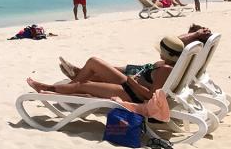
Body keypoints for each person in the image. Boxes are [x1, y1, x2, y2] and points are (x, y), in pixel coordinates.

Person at [27, 35, 185, 103]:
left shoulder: (165, 69)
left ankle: (50, 88)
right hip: (131, 85)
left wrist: (132, 81)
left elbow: (152, 96)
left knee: (84, 86)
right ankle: (72, 83)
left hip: (133, 94)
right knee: (94, 61)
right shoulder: (170, 65)